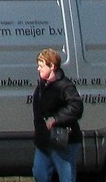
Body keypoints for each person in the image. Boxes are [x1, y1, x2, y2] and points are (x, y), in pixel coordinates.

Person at [32, 47, 84, 182]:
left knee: (66, 177)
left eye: (41, 66)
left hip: (63, 139)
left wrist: (55, 119)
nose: (38, 69)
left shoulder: (65, 86)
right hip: (44, 139)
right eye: (38, 66)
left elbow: (76, 107)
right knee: (39, 173)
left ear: (52, 66)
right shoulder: (41, 86)